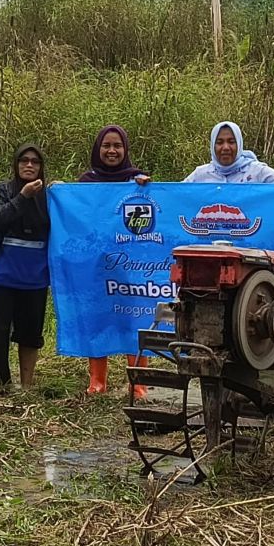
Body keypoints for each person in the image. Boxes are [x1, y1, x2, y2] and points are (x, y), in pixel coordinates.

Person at [77, 125, 152, 397]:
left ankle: (138, 383)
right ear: (98, 149)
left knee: (135, 319)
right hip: (97, 265)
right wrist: (61, 193)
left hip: (131, 266)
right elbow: (75, 215)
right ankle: (98, 381)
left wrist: (146, 189)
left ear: (125, 149)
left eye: (117, 146)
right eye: (106, 146)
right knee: (99, 318)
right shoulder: (86, 182)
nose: (111, 151)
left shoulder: (138, 180)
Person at [0, 144, 50, 390]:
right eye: (24, 160)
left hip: (36, 276)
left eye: (35, 161)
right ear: (16, 164)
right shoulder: (3, 189)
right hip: (1, 275)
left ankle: (27, 385)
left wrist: (63, 192)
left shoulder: (49, 196)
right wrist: (23, 197)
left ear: (42, 167)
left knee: (31, 333)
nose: (29, 165)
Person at [183, 121, 274, 184]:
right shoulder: (200, 175)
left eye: (231, 142)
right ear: (213, 146)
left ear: (239, 144)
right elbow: (174, 195)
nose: (225, 147)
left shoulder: (257, 172)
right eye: (220, 142)